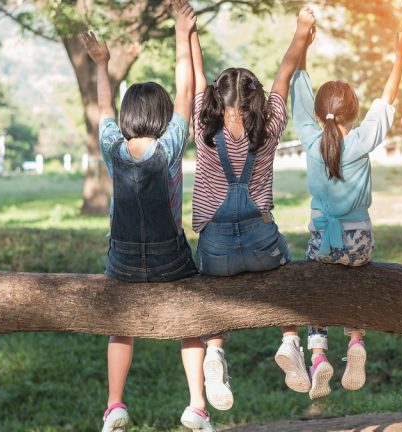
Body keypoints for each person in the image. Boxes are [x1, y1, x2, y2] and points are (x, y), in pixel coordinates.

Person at [80, 1, 208, 430]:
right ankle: (196, 405)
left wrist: (103, 64)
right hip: (170, 259)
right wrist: (180, 34)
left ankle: (114, 404)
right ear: (163, 115)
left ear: (127, 116)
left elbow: (101, 109)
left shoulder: (113, 148)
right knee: (193, 320)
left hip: (122, 261)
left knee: (120, 327)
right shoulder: (170, 146)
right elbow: (187, 91)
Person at [187, 4, 317, 413]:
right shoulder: (270, 125)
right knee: (287, 271)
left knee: (216, 290)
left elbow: (195, 74)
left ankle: (214, 352)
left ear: (215, 100)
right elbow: (286, 71)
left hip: (215, 249)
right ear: (256, 99)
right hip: (262, 243)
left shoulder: (202, 127)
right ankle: (290, 341)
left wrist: (187, 32)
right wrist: (301, 31)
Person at [285, 22, 402, 400]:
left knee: (315, 290)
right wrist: (400, 56)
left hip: (321, 240)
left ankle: (319, 355)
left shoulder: (310, 141)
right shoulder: (360, 141)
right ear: (353, 112)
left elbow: (298, 86)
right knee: (356, 281)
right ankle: (356, 342)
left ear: (318, 113)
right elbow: (386, 102)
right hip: (359, 242)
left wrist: (304, 44)